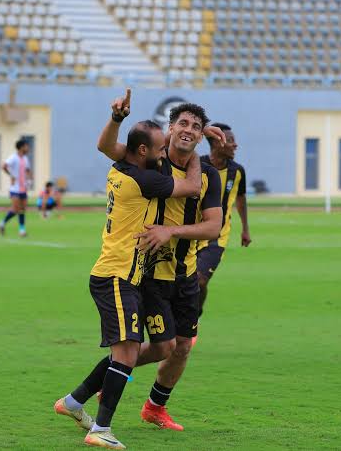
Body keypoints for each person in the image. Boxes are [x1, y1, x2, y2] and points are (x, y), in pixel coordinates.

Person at [54, 89, 203, 450]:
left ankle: (74, 402)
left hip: (122, 276)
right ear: (144, 151)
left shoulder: (124, 167)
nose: (164, 152)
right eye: (160, 148)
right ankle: (100, 429)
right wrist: (196, 151)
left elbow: (106, 145)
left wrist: (116, 119)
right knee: (126, 353)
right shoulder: (145, 180)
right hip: (117, 276)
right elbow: (193, 186)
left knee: (132, 351)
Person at [96, 92, 224, 431]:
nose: (189, 130)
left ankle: (154, 407)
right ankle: (107, 379)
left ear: (201, 135)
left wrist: (172, 231)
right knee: (162, 346)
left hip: (185, 274)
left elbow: (213, 226)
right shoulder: (151, 161)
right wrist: (117, 118)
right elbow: (108, 148)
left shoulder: (208, 175)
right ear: (170, 128)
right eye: (183, 123)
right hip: (149, 274)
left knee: (182, 348)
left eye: (196, 127)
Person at [196, 122, 251, 317]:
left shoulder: (237, 171)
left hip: (217, 237)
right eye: (231, 140)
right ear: (217, 143)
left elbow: (241, 199)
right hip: (191, 233)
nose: (235, 145)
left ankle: (195, 316)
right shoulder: (197, 165)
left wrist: (245, 229)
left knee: (200, 280)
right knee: (184, 282)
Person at [0, 139, 32, 237]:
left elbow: (28, 170)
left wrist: (29, 180)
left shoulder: (25, 158)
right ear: (21, 147)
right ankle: (2, 223)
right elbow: (4, 166)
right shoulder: (13, 157)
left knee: (23, 209)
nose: (28, 148)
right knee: (15, 209)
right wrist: (11, 175)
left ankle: (22, 230)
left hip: (23, 187)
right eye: (26, 146)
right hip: (15, 188)